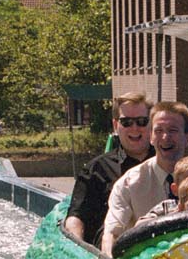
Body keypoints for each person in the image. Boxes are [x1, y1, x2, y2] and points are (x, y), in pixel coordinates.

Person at [102, 101, 188, 257]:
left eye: (173, 130)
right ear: (151, 137)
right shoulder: (128, 184)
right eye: (159, 131)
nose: (165, 137)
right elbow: (111, 234)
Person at [64, 92, 154, 246]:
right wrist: (77, 249)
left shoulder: (165, 164)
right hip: (111, 253)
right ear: (115, 125)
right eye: (126, 122)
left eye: (141, 121)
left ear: (151, 123)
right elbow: (76, 217)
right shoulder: (96, 169)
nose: (134, 128)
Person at [135, 156, 188, 225]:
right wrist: (169, 219)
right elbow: (140, 225)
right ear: (175, 190)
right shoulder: (168, 207)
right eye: (187, 185)